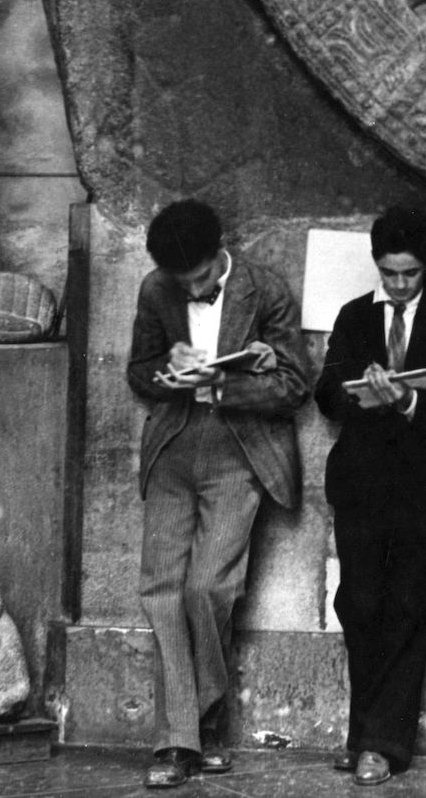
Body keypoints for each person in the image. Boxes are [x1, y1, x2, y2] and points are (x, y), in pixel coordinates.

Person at [126, 199, 311, 788]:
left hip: (237, 449)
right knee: (160, 589)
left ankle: (205, 720)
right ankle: (179, 742)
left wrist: (224, 382)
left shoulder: (266, 288)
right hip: (173, 447)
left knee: (209, 588)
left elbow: (295, 384)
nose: (193, 288)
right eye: (184, 282)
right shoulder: (157, 289)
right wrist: (168, 371)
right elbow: (139, 370)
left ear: (220, 252)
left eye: (202, 278)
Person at [315, 205, 426, 785]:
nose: (401, 284)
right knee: (358, 604)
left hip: (424, 488)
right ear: (377, 266)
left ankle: (383, 745)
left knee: (408, 606)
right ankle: (365, 732)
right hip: (360, 483)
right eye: (390, 273)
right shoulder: (353, 317)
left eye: (410, 273)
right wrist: (359, 392)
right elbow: (326, 397)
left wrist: (408, 401)